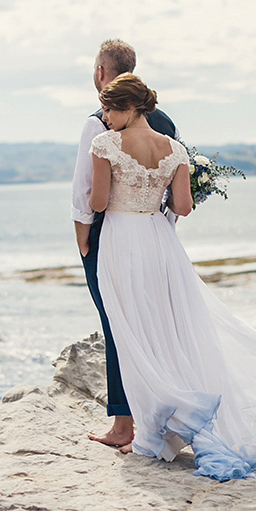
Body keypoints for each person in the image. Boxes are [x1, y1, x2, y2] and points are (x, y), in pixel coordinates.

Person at [88, 73, 256, 480]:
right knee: (170, 326)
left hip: (121, 240)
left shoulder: (104, 145)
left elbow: (97, 200)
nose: (105, 117)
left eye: (109, 109)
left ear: (128, 108)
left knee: (131, 330)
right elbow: (182, 207)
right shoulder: (175, 149)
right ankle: (163, 422)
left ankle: (164, 416)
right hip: (160, 242)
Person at [71, 40, 176, 448]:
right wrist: (161, 230)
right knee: (154, 324)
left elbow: (85, 193)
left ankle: (123, 425)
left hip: (109, 236)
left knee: (116, 324)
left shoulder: (98, 124)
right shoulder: (167, 124)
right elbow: (177, 193)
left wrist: (83, 241)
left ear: (100, 71)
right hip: (156, 238)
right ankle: (161, 417)